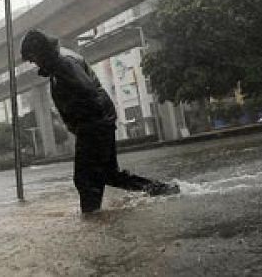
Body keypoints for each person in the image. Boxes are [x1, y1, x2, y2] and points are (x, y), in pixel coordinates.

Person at [20, 29, 178, 213]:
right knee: (110, 175)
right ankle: (163, 190)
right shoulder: (59, 63)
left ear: (40, 51)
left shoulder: (63, 64)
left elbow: (87, 91)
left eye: (32, 57)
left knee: (85, 179)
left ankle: (92, 220)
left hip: (94, 124)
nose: (33, 62)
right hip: (99, 121)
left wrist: (85, 125)